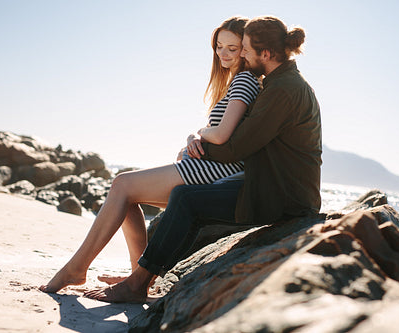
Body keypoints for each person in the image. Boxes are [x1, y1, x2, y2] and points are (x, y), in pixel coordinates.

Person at [83, 15, 322, 303]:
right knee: (183, 196)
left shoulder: (284, 89)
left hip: (280, 195)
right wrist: (198, 141)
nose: (241, 55)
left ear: (266, 54)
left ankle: (137, 284)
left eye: (244, 49)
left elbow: (237, 147)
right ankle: (139, 278)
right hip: (272, 185)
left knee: (186, 198)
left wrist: (198, 144)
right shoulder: (281, 82)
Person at [39, 16, 261, 293]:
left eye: (232, 47)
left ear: (246, 48)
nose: (224, 54)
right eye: (219, 47)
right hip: (212, 167)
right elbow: (220, 129)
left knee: (122, 184)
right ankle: (137, 277)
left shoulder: (244, 80)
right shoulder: (236, 82)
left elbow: (223, 134)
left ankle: (77, 269)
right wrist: (194, 136)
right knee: (126, 194)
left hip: (219, 173)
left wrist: (200, 133)